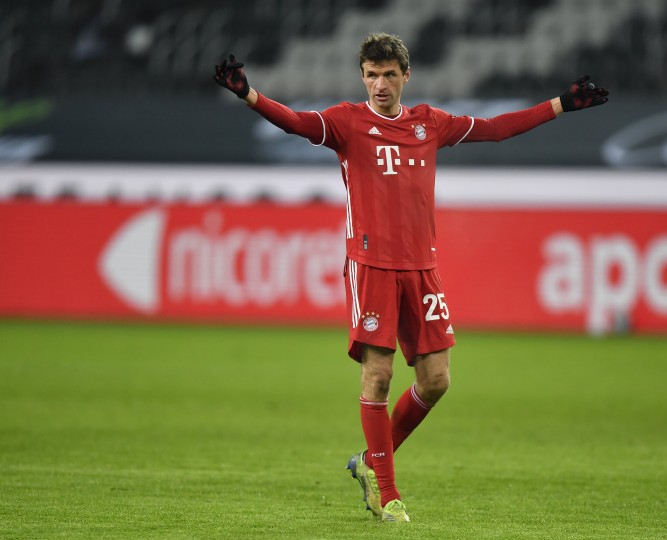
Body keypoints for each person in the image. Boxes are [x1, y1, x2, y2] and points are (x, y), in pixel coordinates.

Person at [214, 33, 609, 523]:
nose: (380, 84)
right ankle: (388, 492)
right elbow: (296, 122)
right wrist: (249, 95)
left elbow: (495, 129)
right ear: (362, 77)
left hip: (422, 268)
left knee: (437, 379)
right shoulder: (346, 122)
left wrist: (560, 105)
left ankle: (369, 460)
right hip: (371, 266)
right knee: (378, 375)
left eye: (388, 74)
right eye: (371, 75)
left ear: (406, 75)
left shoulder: (429, 123)